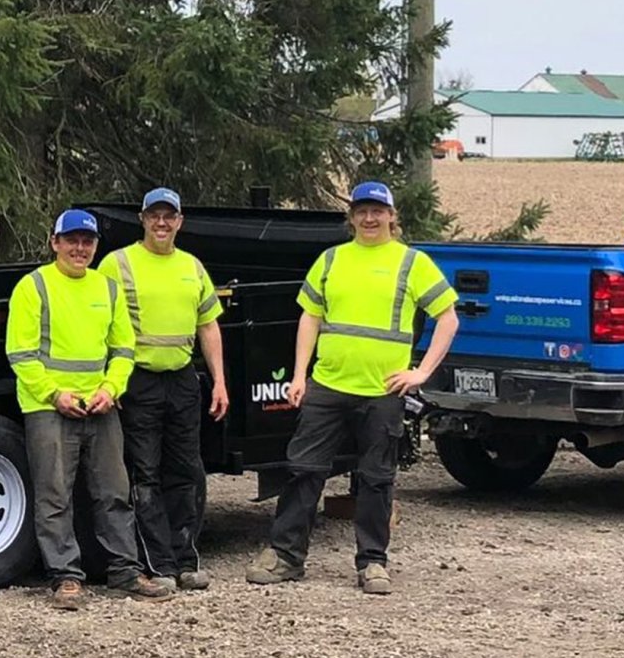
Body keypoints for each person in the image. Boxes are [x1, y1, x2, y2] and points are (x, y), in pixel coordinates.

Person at [244, 181, 460, 594]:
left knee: (377, 478)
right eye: (362, 211)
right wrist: (299, 375)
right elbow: (310, 317)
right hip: (327, 386)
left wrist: (421, 373)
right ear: (352, 217)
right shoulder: (331, 260)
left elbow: (448, 318)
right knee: (304, 470)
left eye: (377, 211)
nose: (369, 218)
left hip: (383, 391)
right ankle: (286, 556)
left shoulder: (411, 263)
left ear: (392, 217)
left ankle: (373, 562)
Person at [5, 209, 173, 610]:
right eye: (72, 240)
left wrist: (110, 389)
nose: (80, 248)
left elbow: (123, 349)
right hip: (50, 408)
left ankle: (125, 571)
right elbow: (21, 353)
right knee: (55, 496)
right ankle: (65, 577)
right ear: (55, 243)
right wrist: (54, 394)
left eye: (88, 242)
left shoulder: (107, 288)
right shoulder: (33, 287)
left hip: (101, 406)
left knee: (114, 492)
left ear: (96, 246)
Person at [98, 187, 228, 592]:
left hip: (183, 380)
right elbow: (98, 323)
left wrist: (220, 381)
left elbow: (208, 325)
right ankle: (160, 565)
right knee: (145, 475)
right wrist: (110, 379)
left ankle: (187, 560)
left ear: (179, 222)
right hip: (139, 382)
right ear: (142, 219)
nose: (161, 223)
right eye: (154, 215)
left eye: (168, 216)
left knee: (186, 471)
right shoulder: (116, 264)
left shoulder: (192, 267)